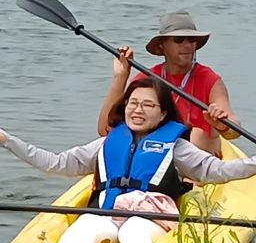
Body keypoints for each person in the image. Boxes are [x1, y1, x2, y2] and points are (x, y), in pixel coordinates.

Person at [0, 78, 256, 243]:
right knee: (84, 229)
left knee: (134, 233)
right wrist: (8, 141)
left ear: (162, 115)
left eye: (147, 105)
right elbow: (56, 164)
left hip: (152, 217)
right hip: (106, 212)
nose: (137, 110)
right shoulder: (105, 144)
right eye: (132, 104)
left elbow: (217, 171)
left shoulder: (177, 146)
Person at [97, 10, 239, 156]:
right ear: (162, 46)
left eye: (191, 40)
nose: (187, 45)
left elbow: (234, 128)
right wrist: (121, 77)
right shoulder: (148, 79)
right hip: (158, 155)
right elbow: (105, 129)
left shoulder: (210, 80)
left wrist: (222, 124)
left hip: (199, 158)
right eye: (179, 39)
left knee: (196, 134)